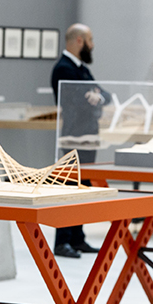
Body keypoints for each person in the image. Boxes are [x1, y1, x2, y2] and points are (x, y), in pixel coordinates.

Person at [50, 23, 104, 258]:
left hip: (88, 138)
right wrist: (92, 97)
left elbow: (104, 94)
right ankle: (62, 241)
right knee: (69, 188)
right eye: (90, 40)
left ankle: (77, 237)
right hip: (73, 138)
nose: (93, 45)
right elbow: (79, 102)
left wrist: (96, 97)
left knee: (83, 187)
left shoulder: (82, 69)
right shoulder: (64, 69)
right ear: (80, 41)